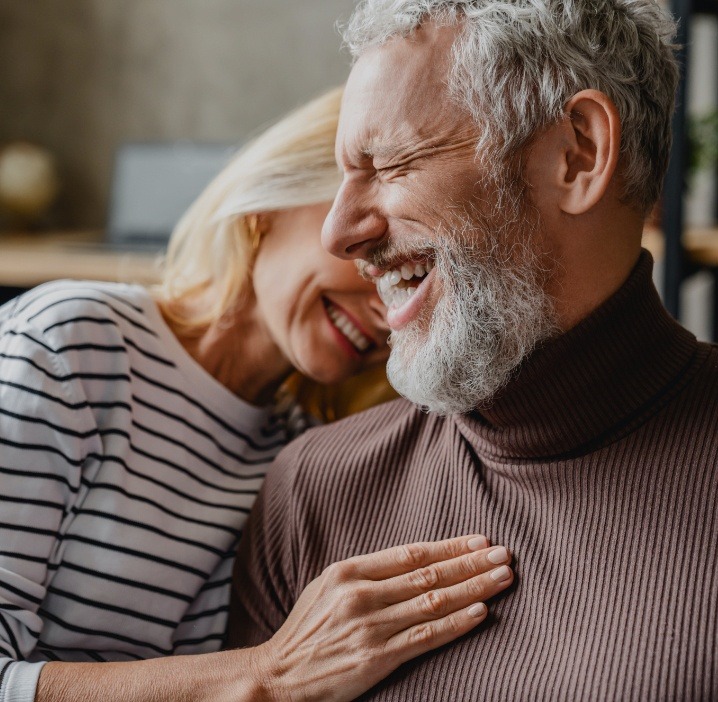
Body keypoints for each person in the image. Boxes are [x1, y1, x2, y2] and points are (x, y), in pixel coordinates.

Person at [230, 2, 718, 700]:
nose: (339, 232)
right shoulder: (315, 490)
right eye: (344, 175)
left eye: (390, 163)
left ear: (577, 154)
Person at [0, 87, 516, 702]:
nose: (388, 314)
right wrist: (266, 675)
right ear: (269, 205)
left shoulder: (299, 449)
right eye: (367, 257)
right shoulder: (72, 345)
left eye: (412, 277)